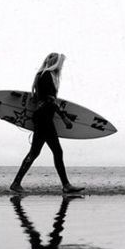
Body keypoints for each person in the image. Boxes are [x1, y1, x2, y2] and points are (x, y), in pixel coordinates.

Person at [10, 53, 84, 194]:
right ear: (56, 63)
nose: (61, 67)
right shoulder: (47, 75)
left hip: (43, 117)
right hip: (44, 117)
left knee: (36, 152)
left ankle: (16, 183)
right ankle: (66, 185)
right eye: (61, 63)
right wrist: (64, 117)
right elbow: (50, 100)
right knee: (56, 151)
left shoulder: (41, 75)